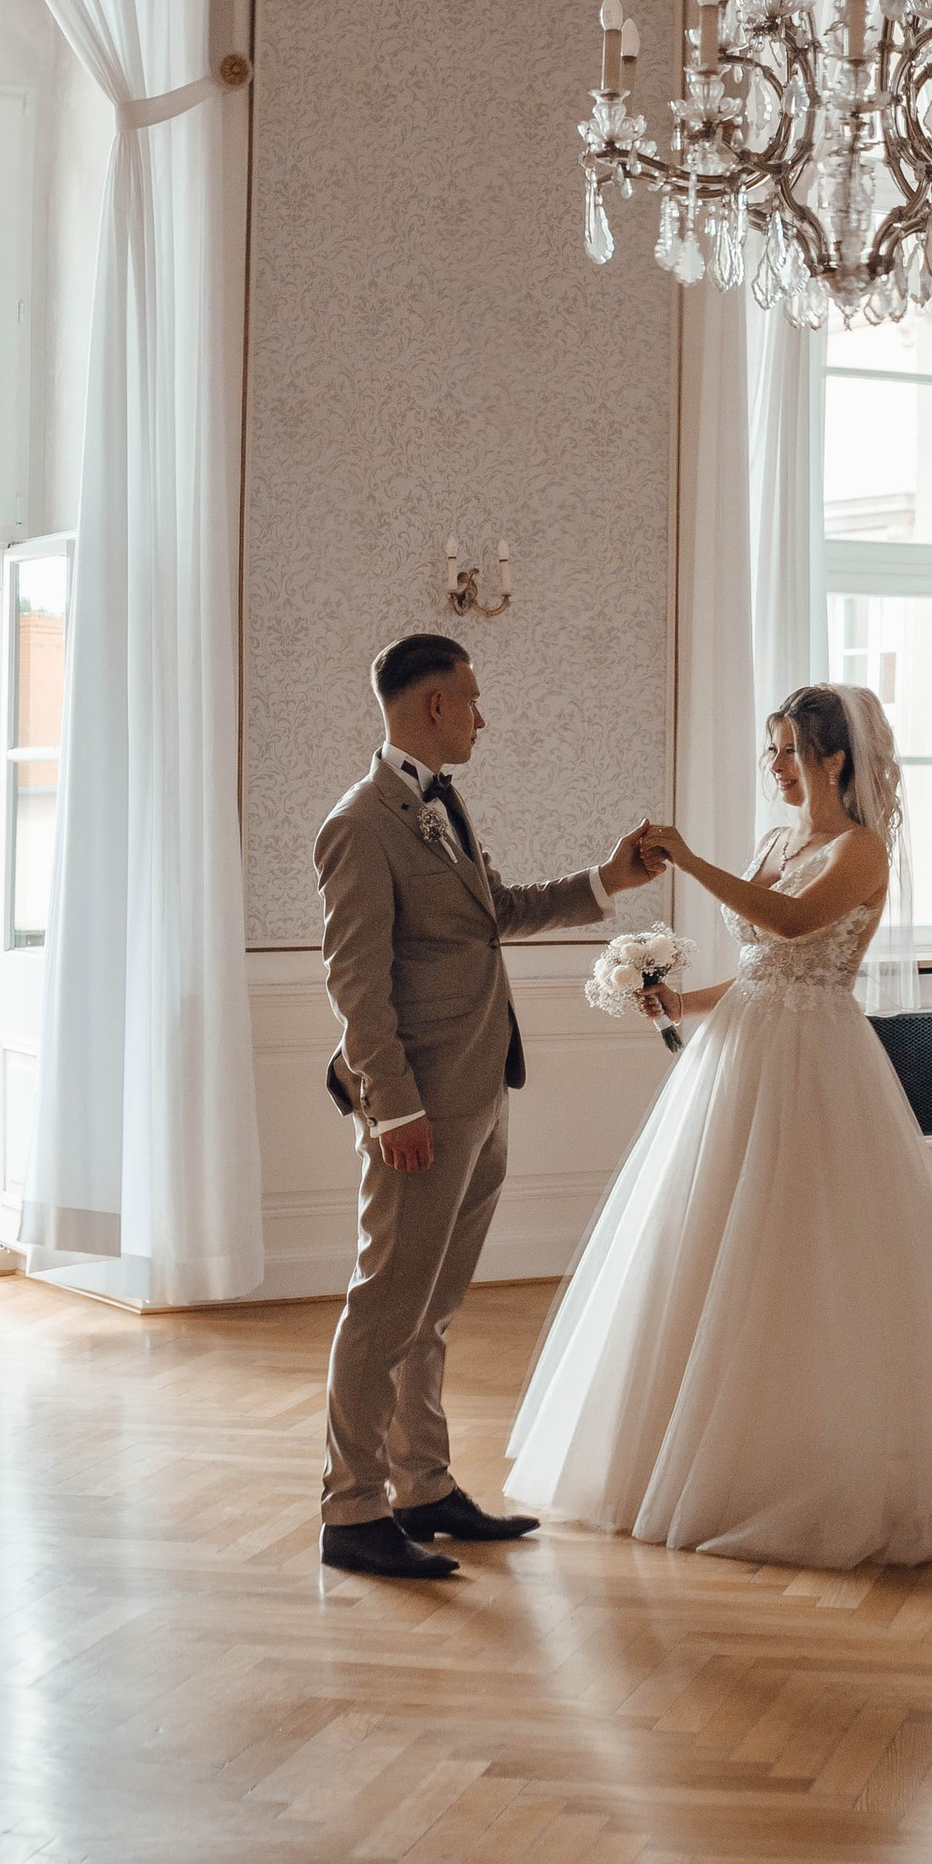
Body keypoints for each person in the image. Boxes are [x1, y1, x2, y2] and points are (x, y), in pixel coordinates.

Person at [505, 682, 932, 1568]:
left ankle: (840, 1455)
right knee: (710, 1246)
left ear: (833, 757)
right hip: (741, 1056)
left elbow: (789, 923)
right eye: (770, 749)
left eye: (785, 750)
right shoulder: (780, 841)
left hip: (817, 1064)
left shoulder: (861, 851)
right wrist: (678, 1002)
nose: (773, 766)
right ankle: (705, 1448)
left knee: (821, 1251)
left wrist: (691, 862)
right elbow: (756, 970)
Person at [316, 631, 663, 1584]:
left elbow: (490, 914)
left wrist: (607, 881)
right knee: (385, 1303)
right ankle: (351, 1510)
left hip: (479, 1090)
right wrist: (392, 1110)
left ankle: (423, 1488)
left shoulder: (443, 803)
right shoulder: (360, 823)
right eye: (472, 698)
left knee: (430, 1310)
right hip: (419, 1107)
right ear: (433, 705)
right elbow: (357, 986)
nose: (483, 715)